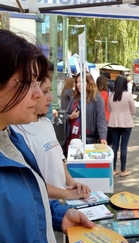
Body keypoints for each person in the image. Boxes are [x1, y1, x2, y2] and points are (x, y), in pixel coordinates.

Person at [0, 29, 94, 243]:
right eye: (28, 82)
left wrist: (58, 215)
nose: (38, 94)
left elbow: (25, 202)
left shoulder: (11, 138)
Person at [12, 70, 91, 200]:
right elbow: (29, 182)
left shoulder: (46, 123)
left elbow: (59, 160)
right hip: (44, 206)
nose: (51, 97)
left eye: (49, 90)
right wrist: (69, 194)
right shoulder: (16, 131)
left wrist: (72, 184)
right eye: (45, 91)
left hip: (60, 205)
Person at [65, 72, 107, 147]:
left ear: (89, 82)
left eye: (82, 81)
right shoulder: (74, 98)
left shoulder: (97, 98)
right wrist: (71, 116)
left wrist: (103, 137)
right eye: (77, 82)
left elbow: (101, 120)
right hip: (74, 139)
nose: (78, 84)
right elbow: (66, 114)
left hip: (90, 139)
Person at [108, 75, 136, 177]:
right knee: (124, 147)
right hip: (126, 123)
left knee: (114, 146)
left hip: (113, 123)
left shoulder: (111, 95)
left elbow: (109, 109)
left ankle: (113, 169)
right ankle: (123, 170)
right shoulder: (128, 95)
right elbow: (133, 110)